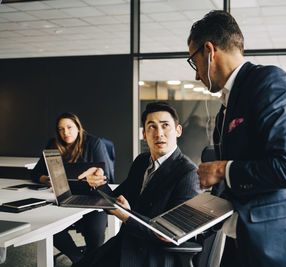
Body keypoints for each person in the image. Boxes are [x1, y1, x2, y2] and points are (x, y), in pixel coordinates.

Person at [187, 10, 286, 267]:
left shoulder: (269, 84)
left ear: (209, 50)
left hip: (279, 243)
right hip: (243, 234)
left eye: (194, 61)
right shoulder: (228, 105)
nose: (197, 75)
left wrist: (223, 169)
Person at [73, 101, 202, 267]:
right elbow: (117, 200)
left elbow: (172, 234)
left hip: (154, 255)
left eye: (165, 126)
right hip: (126, 243)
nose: (159, 133)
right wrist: (99, 182)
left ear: (178, 131)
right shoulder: (142, 161)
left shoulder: (188, 173)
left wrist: (127, 216)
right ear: (144, 134)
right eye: (152, 127)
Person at [31, 112, 110, 264]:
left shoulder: (93, 143)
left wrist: (96, 176)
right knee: (46, 225)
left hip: (91, 197)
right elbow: (36, 173)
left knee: (96, 232)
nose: (65, 132)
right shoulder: (53, 144)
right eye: (61, 129)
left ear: (78, 128)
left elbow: (104, 174)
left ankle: (91, 259)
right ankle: (79, 260)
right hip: (62, 196)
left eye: (69, 127)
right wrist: (47, 180)